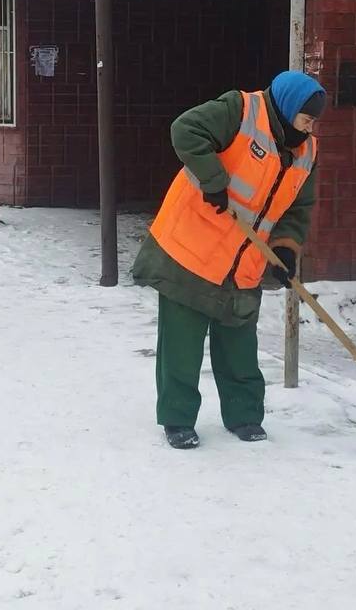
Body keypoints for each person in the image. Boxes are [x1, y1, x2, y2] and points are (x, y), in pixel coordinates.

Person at [131, 71, 325, 449]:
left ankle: (245, 415)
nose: (311, 126)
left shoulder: (307, 151)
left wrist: (286, 246)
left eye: (315, 120)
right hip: (193, 248)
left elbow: (298, 208)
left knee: (239, 344)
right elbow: (185, 130)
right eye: (307, 117)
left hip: (245, 261)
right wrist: (212, 179)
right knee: (182, 343)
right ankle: (178, 418)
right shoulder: (240, 109)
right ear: (288, 108)